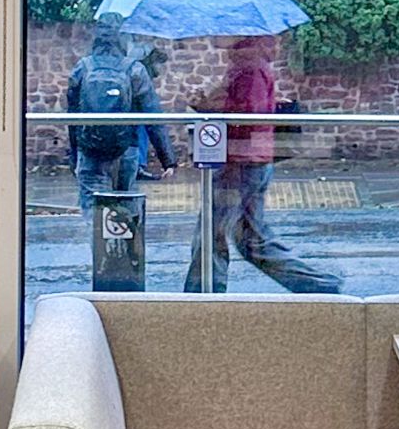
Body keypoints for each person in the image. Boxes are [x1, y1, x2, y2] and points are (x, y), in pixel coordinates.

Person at [183, 36, 342, 294]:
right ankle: (320, 286)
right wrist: (212, 102)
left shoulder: (250, 68)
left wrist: (209, 106)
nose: (215, 38)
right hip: (251, 161)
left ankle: (200, 299)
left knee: (211, 236)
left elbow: (248, 117)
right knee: (254, 242)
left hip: (240, 163)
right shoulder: (247, 65)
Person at [67, 26, 176, 213]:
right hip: (127, 148)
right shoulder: (134, 69)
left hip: (91, 150)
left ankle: (96, 241)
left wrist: (74, 153)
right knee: (124, 206)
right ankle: (122, 241)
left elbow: (73, 117)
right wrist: (167, 159)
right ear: (123, 42)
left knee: (93, 208)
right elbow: (153, 116)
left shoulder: (82, 67)